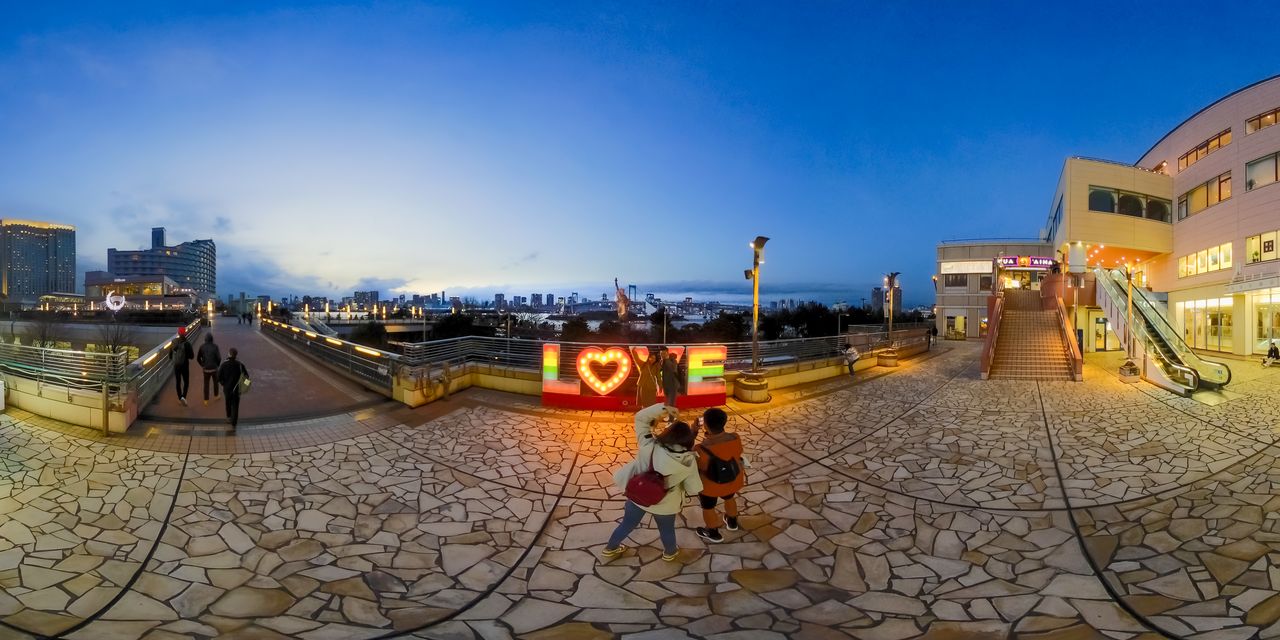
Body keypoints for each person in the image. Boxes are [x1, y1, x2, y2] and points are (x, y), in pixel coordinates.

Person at [602, 403, 702, 562]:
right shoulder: (689, 461)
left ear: (667, 433)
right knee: (666, 530)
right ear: (687, 441)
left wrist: (665, 409)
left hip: (638, 495)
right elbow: (694, 487)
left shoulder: (648, 445)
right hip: (666, 504)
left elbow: (641, 418)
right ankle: (670, 553)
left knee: (627, 524)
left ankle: (610, 548)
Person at [694, 408, 745, 543]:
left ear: (705, 425)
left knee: (708, 507)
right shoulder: (735, 438)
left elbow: (695, 463)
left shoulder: (701, 449)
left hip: (711, 487)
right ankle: (732, 521)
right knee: (729, 498)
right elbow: (738, 452)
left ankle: (713, 532)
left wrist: (693, 431)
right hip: (731, 480)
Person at [217, 348, 248, 430]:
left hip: (227, 389)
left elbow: (218, 377)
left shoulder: (224, 364)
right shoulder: (240, 365)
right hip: (237, 389)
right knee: (235, 405)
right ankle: (234, 422)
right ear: (236, 355)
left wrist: (223, 384)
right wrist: (244, 387)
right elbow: (247, 377)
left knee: (228, 403)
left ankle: (228, 417)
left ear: (229, 354)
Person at [170, 327, 194, 406]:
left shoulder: (174, 342)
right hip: (185, 365)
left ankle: (180, 398)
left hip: (176, 365)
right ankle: (184, 397)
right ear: (185, 333)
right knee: (186, 382)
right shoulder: (187, 343)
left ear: (178, 333)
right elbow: (192, 356)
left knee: (178, 382)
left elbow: (170, 355)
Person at [197, 334, 222, 406]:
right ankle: (216, 395)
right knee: (215, 382)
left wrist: (202, 365)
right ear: (212, 339)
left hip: (206, 369)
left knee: (206, 384)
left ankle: (206, 400)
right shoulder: (215, 346)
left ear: (205, 339)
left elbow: (198, 358)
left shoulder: (202, 347)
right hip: (214, 368)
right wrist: (217, 365)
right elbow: (219, 358)